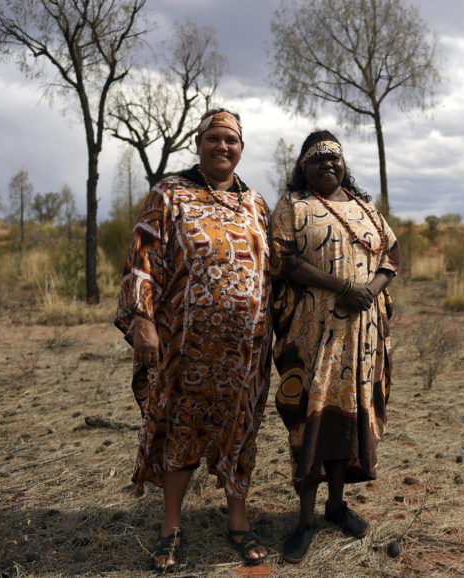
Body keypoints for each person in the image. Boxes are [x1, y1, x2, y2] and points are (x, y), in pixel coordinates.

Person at [115, 108, 272, 569]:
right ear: (199, 141)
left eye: (232, 140)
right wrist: (142, 319)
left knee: (240, 433)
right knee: (181, 430)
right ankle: (170, 526)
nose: (223, 147)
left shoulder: (257, 205)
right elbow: (141, 259)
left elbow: (278, 270)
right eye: (215, 138)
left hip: (247, 353)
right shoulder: (169, 195)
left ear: (242, 148)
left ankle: (238, 523)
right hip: (186, 348)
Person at [269, 130, 400, 563]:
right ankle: (305, 520)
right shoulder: (293, 206)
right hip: (312, 339)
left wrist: (369, 290)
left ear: (344, 164)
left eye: (334, 158)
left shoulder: (364, 208)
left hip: (359, 341)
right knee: (310, 422)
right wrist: (342, 286)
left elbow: (391, 256)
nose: (327, 164)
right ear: (302, 168)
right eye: (316, 159)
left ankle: (336, 506)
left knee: (346, 421)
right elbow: (284, 261)